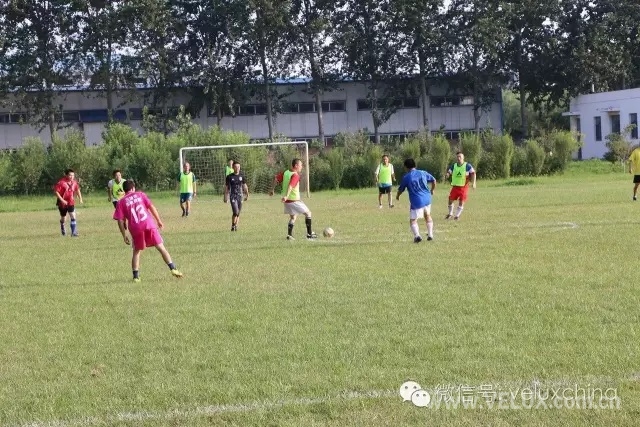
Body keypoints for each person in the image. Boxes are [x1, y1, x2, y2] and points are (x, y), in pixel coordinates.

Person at [113, 179, 183, 283]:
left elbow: (119, 220)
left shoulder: (121, 202)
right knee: (160, 247)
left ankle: (136, 277)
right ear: (133, 188)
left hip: (135, 228)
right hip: (148, 224)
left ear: (124, 190)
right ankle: (173, 268)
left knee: (136, 252)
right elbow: (151, 207)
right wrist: (158, 220)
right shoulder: (140, 194)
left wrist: (124, 235)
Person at [396, 158, 436, 243]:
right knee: (427, 215)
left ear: (406, 167)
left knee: (413, 220)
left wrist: (397, 196)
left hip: (417, 200)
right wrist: (432, 190)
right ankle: (430, 235)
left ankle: (417, 236)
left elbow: (401, 189)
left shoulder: (407, 177)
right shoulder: (422, 172)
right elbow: (434, 180)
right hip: (427, 198)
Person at [277, 158, 317, 240]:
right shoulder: (295, 175)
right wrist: (287, 196)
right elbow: (291, 186)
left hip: (287, 202)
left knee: (293, 217)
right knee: (308, 213)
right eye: (300, 165)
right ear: (296, 165)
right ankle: (309, 234)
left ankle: (289, 235)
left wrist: (272, 190)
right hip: (293, 200)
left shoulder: (286, 172)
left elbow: (276, 179)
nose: (301, 167)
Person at [445, 151, 476, 220]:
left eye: (460, 157)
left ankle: (457, 216)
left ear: (463, 158)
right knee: (450, 200)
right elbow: (449, 171)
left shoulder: (467, 166)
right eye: (457, 157)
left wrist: (474, 183)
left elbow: (474, 173)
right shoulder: (454, 165)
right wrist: (447, 174)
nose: (459, 158)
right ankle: (450, 214)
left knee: (461, 201)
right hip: (455, 186)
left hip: (463, 187)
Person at [53, 169, 83, 237]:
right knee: (63, 218)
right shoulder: (61, 182)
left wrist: (80, 198)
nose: (72, 177)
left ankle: (74, 233)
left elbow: (77, 190)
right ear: (66, 175)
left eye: (73, 175)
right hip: (62, 203)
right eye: (70, 175)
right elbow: (56, 192)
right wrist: (62, 200)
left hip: (71, 202)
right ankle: (62, 224)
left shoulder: (74, 182)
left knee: (73, 216)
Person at [224, 161, 249, 231]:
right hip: (233, 196)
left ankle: (235, 226)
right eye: (236, 167)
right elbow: (226, 188)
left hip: (240, 196)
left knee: (238, 213)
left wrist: (247, 195)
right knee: (236, 212)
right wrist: (225, 197)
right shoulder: (229, 177)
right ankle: (233, 225)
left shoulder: (242, 176)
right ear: (233, 167)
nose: (237, 168)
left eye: (238, 167)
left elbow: (245, 186)